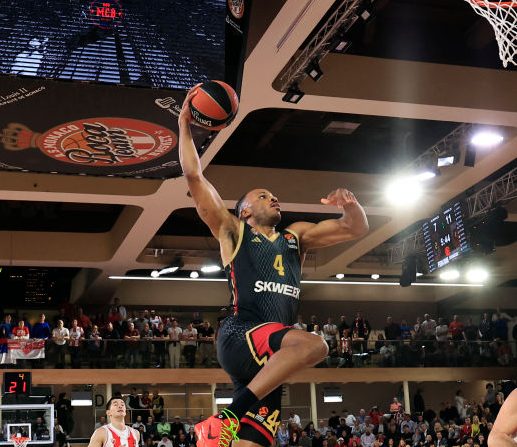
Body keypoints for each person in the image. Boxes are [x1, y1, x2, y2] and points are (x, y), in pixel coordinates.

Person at [178, 88, 369, 447]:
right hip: (242, 334)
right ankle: (226, 418)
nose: (273, 197)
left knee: (254, 443)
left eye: (273, 195)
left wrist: (351, 205)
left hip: (271, 359)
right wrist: (184, 124)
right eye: (263, 195)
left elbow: (354, 228)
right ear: (245, 210)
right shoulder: (232, 230)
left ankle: (226, 421)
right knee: (317, 346)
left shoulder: (296, 236)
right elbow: (194, 176)